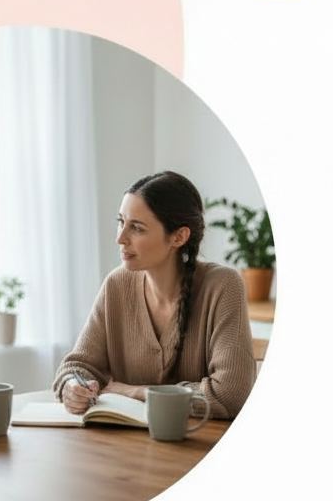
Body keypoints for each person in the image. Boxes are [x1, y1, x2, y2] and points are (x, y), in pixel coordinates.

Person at [53, 171, 256, 420]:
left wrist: (136, 392)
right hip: (123, 441)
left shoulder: (222, 286)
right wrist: (73, 387)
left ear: (179, 237)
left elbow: (230, 395)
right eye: (121, 222)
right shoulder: (116, 285)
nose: (120, 238)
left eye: (137, 228)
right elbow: (77, 367)